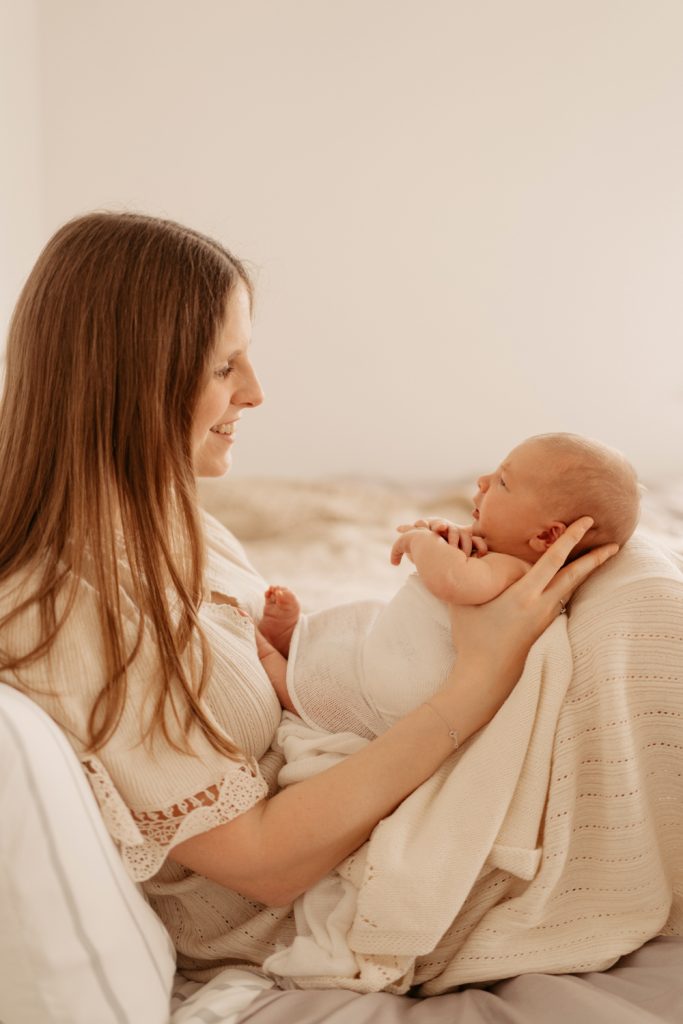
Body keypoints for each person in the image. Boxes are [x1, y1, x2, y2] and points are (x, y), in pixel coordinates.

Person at [0, 211, 618, 981]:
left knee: (622, 593)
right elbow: (261, 864)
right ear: (128, 377)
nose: (256, 392)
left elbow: (286, 686)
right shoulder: (63, 608)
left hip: (372, 807)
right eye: (225, 367)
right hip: (333, 898)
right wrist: (476, 681)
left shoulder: (165, 516)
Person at [255, 433, 640, 737]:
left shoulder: (514, 570)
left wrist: (423, 542)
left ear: (546, 537)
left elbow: (454, 581)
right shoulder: (496, 551)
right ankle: (296, 638)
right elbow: (461, 564)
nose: (484, 481)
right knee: (349, 639)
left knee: (339, 693)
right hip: (396, 649)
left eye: (503, 482)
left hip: (404, 686)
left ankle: (280, 674)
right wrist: (448, 534)